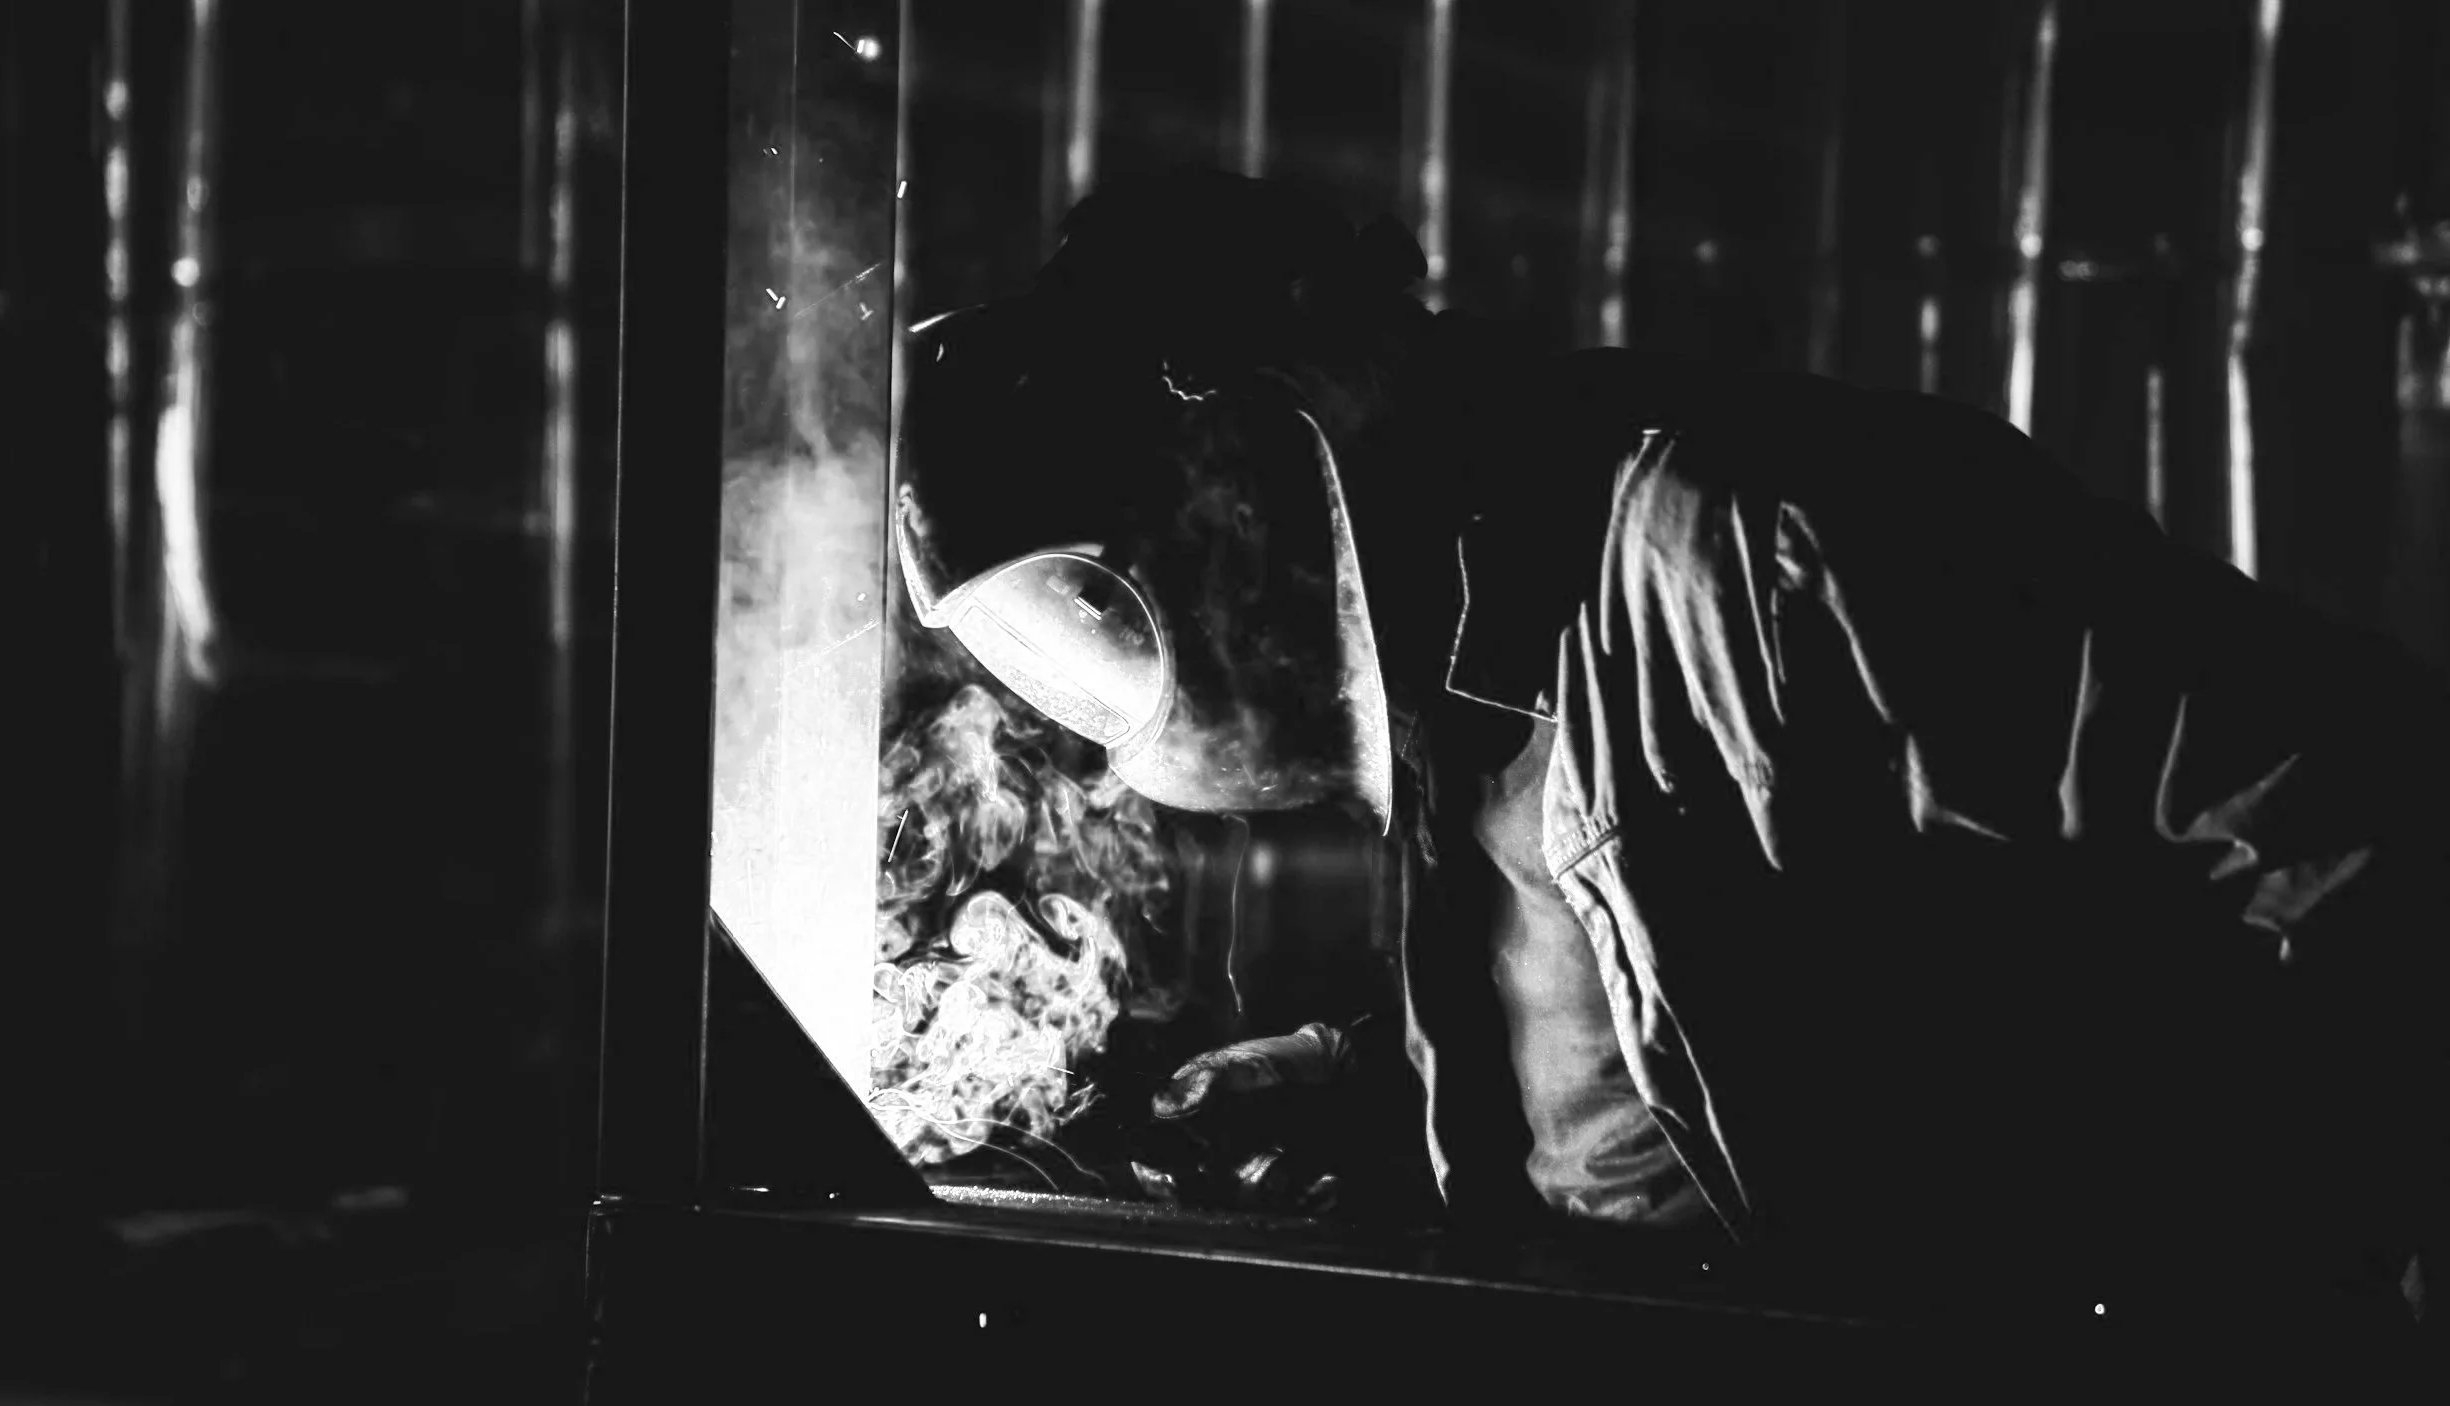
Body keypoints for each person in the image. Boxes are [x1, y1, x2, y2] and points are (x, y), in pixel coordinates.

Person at [892, 167, 2450, 1334]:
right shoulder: (1431, 635)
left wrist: (2263, 1292)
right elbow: (1649, 1006)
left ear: (1283, 418)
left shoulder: (1772, 538)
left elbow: (2362, 800)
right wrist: (1345, 1080)